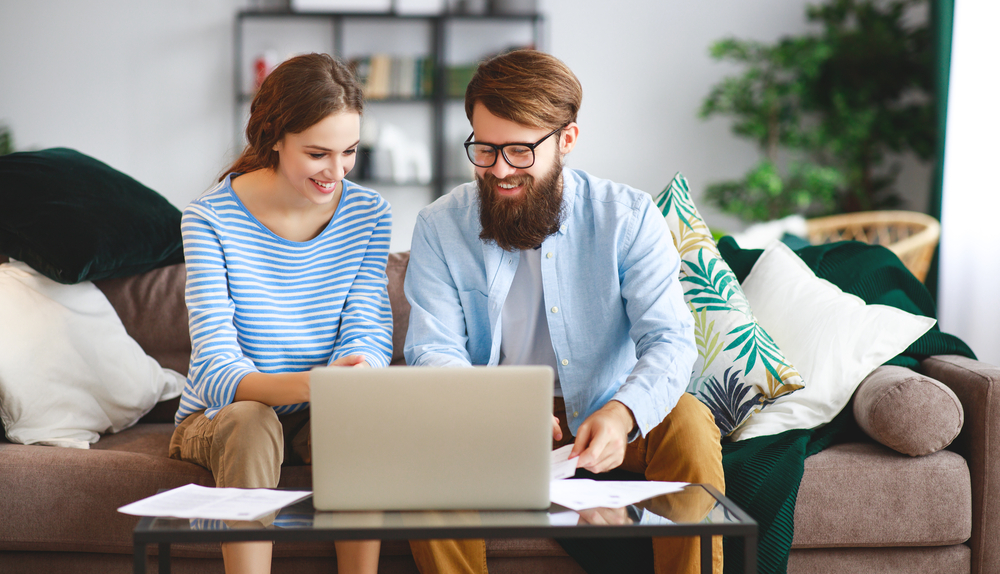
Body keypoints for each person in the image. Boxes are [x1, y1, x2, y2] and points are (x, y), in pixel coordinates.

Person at [403, 49, 725, 574]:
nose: (499, 170)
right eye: (484, 150)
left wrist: (623, 415)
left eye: (519, 151)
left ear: (566, 140)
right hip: (492, 421)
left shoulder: (629, 217)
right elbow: (432, 350)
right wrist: (496, 412)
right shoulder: (440, 225)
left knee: (688, 421)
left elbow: (670, 341)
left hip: (609, 408)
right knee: (426, 443)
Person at [169, 52, 480, 574]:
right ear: (273, 137)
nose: (336, 171)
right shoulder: (209, 219)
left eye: (350, 152)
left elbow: (368, 326)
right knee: (251, 422)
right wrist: (318, 385)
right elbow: (217, 369)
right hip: (227, 414)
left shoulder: (367, 213)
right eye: (318, 153)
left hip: (322, 408)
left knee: (361, 418)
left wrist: (357, 370)